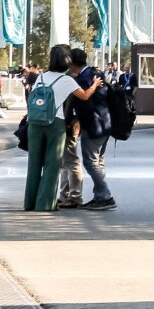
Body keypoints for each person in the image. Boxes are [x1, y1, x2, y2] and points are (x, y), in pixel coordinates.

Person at [23, 45, 100, 212]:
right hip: (55, 124)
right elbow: (85, 96)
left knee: (34, 164)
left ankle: (29, 202)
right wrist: (94, 85)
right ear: (67, 61)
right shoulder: (66, 80)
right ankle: (44, 204)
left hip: (34, 124)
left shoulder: (41, 77)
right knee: (52, 164)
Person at [70, 48, 118, 211]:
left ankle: (105, 196)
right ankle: (99, 195)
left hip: (94, 124)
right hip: (106, 122)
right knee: (98, 161)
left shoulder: (83, 79)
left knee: (90, 162)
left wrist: (79, 124)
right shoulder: (95, 73)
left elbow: (84, 102)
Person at [57, 48, 92, 208]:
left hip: (68, 123)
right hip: (69, 122)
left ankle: (74, 196)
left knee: (70, 160)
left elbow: (82, 98)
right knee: (66, 161)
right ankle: (65, 194)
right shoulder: (71, 78)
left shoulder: (69, 79)